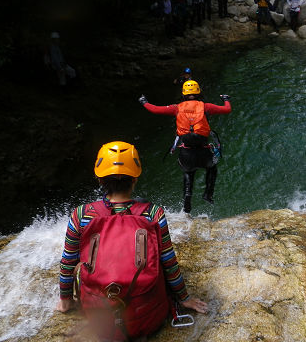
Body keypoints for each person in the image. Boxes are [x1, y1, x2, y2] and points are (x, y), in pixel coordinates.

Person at [56, 141, 208, 339]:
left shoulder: (81, 215)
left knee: (78, 264)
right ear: (135, 178)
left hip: (100, 317)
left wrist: (65, 300)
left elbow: (67, 263)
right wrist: (184, 298)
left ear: (100, 179)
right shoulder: (153, 214)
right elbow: (169, 262)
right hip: (147, 315)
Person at [139, 80, 231, 213]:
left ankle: (187, 198)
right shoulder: (205, 106)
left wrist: (144, 102)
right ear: (198, 92)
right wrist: (226, 99)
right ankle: (208, 194)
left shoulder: (176, 108)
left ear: (183, 93)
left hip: (187, 152)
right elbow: (227, 109)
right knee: (212, 168)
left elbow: (154, 109)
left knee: (188, 172)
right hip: (203, 151)